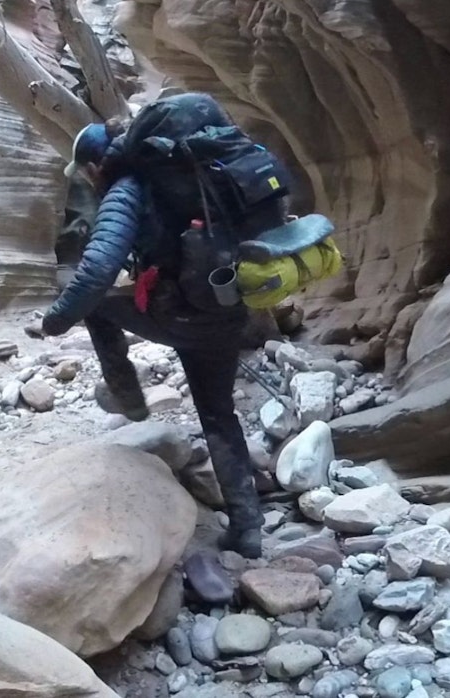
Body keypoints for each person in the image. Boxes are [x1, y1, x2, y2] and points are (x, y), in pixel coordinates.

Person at [39, 93, 292, 559]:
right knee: (217, 413)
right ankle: (247, 528)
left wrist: (54, 323)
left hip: (180, 314)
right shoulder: (205, 172)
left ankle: (129, 399)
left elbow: (94, 274)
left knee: (96, 305)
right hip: (229, 310)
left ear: (97, 164)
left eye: (88, 172)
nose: (91, 180)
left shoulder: (128, 187)